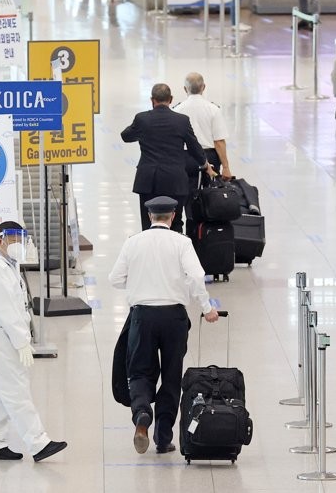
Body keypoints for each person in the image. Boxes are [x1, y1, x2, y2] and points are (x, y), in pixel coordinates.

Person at [109, 196, 221, 454]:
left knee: (139, 372)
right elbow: (195, 276)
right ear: (172, 216)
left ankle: (141, 416)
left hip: (142, 315)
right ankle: (162, 437)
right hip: (174, 317)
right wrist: (207, 308)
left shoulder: (133, 243)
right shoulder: (182, 242)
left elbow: (115, 279)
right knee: (171, 376)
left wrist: (140, 284)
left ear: (150, 217)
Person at [0, 221, 67, 462]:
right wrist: (21, 341)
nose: (17, 244)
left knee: (1, 391)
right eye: (12, 239)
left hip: (5, 336)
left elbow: (17, 306)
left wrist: (22, 337)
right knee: (16, 391)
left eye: (21, 239)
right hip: (1, 337)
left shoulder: (8, 266)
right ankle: (38, 443)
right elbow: (5, 311)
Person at [121, 83, 214, 232]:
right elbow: (194, 147)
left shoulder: (142, 119)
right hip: (175, 181)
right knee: (176, 222)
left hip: (148, 181)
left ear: (152, 100)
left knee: (149, 223)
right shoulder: (182, 120)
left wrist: (139, 128)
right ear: (171, 99)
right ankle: (174, 253)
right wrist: (205, 165)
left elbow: (125, 136)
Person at [173, 72, 233, 235]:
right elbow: (219, 142)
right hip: (208, 160)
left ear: (185, 89)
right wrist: (226, 167)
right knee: (205, 201)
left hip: (184, 160)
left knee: (182, 200)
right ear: (203, 88)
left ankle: (181, 237)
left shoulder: (177, 110)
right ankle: (200, 238)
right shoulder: (213, 109)